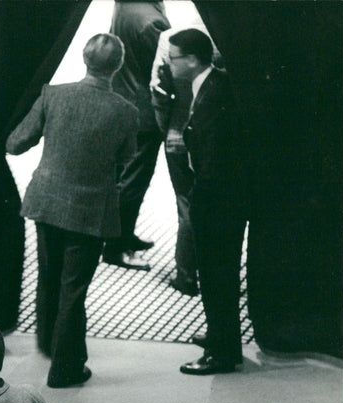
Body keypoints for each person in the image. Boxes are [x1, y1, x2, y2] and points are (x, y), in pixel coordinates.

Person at [6, 33, 138, 387]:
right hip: (90, 212)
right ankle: (65, 368)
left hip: (46, 202)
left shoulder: (54, 95)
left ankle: (50, 343)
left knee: (48, 275)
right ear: (118, 67)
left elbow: (17, 142)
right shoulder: (126, 112)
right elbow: (127, 160)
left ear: (84, 58)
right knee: (74, 289)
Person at [166, 28, 247, 375]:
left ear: (192, 60)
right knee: (217, 275)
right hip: (221, 198)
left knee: (217, 277)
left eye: (173, 58)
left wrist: (199, 194)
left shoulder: (213, 95)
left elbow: (215, 159)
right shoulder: (213, 84)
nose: (169, 64)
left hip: (217, 202)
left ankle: (222, 353)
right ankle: (220, 335)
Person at [151, 22, 221, 297]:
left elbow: (158, 95)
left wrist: (168, 129)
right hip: (209, 140)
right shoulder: (221, 39)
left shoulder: (171, 39)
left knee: (186, 205)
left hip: (177, 136)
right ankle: (210, 272)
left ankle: (186, 274)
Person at [102, 0, 171, 271]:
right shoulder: (152, 22)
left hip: (122, 95)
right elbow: (165, 66)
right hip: (143, 112)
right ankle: (117, 247)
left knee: (123, 177)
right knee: (133, 182)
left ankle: (122, 235)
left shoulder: (125, 5)